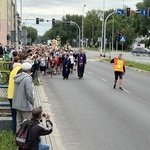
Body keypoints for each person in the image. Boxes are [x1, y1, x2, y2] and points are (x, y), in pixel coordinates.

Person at [12, 62, 34, 132]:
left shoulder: (18, 77)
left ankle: (18, 139)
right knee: (27, 124)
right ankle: (26, 140)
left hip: (17, 104)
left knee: (19, 123)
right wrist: (32, 103)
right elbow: (29, 93)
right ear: (29, 69)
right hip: (26, 105)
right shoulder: (27, 79)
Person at [7, 56, 22, 134]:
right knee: (17, 116)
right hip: (15, 96)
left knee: (14, 115)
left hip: (10, 95)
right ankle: (17, 134)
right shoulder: (19, 70)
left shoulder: (13, 70)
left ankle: (14, 133)